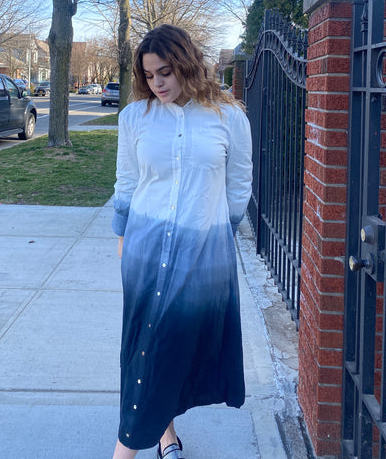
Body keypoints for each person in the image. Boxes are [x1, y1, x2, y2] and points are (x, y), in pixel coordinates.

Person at [111, 24, 253, 459]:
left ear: (188, 64)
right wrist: (121, 235)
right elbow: (128, 181)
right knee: (145, 348)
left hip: (200, 255)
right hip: (145, 249)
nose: (158, 83)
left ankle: (164, 434)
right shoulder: (135, 117)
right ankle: (138, 443)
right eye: (149, 75)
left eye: (166, 72)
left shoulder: (229, 117)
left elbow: (239, 185)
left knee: (172, 348)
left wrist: (215, 232)